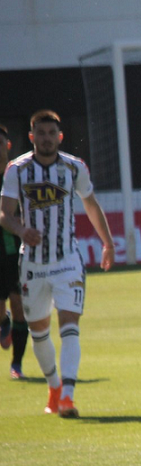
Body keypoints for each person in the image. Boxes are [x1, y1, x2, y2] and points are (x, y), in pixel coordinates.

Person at [0, 110, 114, 417]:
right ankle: (54, 387)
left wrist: (108, 243)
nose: (47, 138)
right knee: (39, 331)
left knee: (70, 326)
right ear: (31, 136)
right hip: (33, 264)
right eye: (41, 133)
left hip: (67, 261)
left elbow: (91, 204)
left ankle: (68, 396)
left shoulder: (74, 168)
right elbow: (4, 213)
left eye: (52, 133)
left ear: (60, 137)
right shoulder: (17, 170)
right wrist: (21, 230)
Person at [0, 124, 30, 378]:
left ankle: (16, 364)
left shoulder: (18, 175)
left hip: (15, 252)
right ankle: (3, 321)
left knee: (20, 305)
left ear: (8, 145)